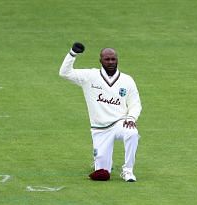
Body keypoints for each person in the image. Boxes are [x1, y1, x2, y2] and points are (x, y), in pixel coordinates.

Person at [60, 42, 142, 182]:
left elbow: (135, 104)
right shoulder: (90, 76)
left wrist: (131, 118)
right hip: (99, 129)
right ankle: (99, 161)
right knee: (103, 173)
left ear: (117, 60)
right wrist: (72, 54)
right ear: (100, 61)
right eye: (107, 59)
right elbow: (64, 73)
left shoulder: (127, 80)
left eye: (113, 59)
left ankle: (128, 171)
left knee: (132, 132)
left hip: (119, 123)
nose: (111, 62)